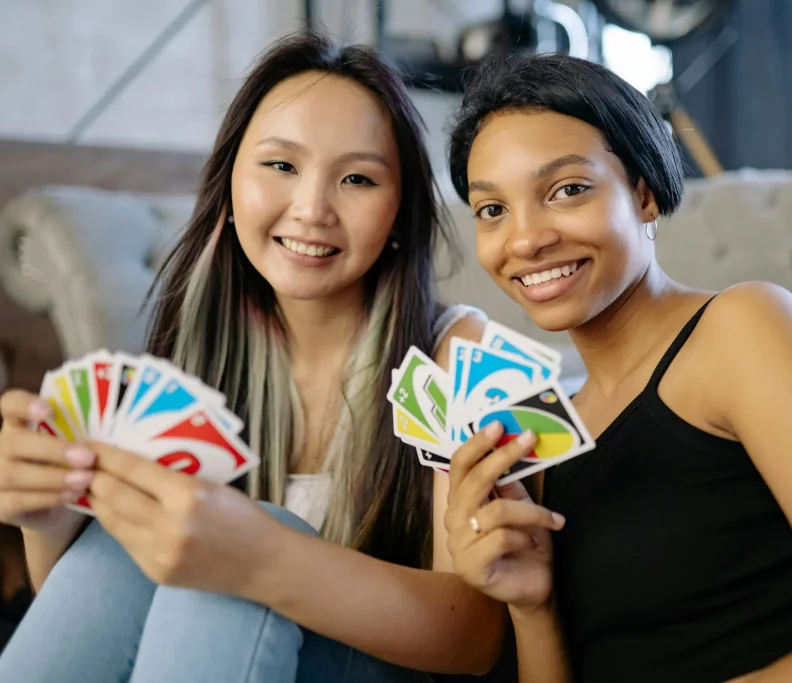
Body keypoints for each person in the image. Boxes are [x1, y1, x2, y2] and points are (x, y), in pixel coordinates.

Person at [441, 54, 792, 683]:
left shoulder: (743, 330)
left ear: (644, 193)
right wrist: (533, 607)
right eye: (493, 210)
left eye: (568, 189)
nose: (524, 240)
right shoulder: (547, 434)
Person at [0, 33, 509, 682]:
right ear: (230, 185)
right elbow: (103, 633)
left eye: (357, 178)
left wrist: (257, 551)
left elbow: (477, 637)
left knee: (232, 551)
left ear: (400, 213)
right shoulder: (199, 344)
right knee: (126, 545)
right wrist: (47, 520)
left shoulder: (456, 355)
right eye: (280, 166)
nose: (312, 209)